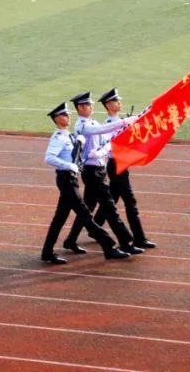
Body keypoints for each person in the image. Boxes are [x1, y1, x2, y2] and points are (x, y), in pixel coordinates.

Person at [39, 102, 130, 264]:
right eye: (64, 115)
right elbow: (49, 157)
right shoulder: (58, 138)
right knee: (85, 214)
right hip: (66, 179)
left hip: (71, 179)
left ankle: (47, 251)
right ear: (56, 119)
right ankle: (108, 246)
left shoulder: (69, 135)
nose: (68, 117)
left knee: (60, 217)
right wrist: (69, 165)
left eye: (67, 114)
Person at [62, 92, 143, 256]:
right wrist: (124, 121)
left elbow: (108, 139)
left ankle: (71, 240)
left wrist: (122, 130)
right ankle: (124, 243)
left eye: (90, 104)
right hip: (92, 173)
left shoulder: (92, 122)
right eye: (86, 105)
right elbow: (102, 129)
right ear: (80, 108)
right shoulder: (82, 125)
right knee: (110, 208)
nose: (90, 107)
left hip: (98, 170)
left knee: (87, 209)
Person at [96, 88, 155, 249]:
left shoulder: (119, 121)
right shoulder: (110, 124)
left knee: (112, 199)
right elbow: (111, 144)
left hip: (121, 164)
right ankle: (139, 238)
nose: (119, 102)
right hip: (117, 165)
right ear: (108, 104)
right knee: (130, 201)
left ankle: (95, 227)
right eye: (116, 101)